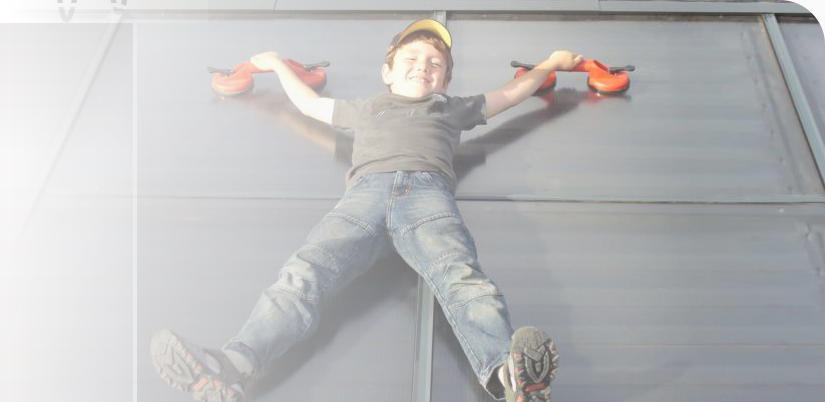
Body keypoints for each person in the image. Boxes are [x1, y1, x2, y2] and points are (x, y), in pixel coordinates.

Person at [151, 18, 580, 402]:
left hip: (427, 195)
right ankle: (231, 367)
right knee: (304, 274)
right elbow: (309, 104)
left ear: (445, 81)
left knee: (462, 278)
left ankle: (509, 377)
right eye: (411, 58)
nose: (423, 66)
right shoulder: (366, 108)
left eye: (435, 63)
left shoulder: (449, 108)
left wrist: (551, 63)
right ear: (387, 72)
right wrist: (278, 65)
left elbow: (509, 94)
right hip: (363, 198)